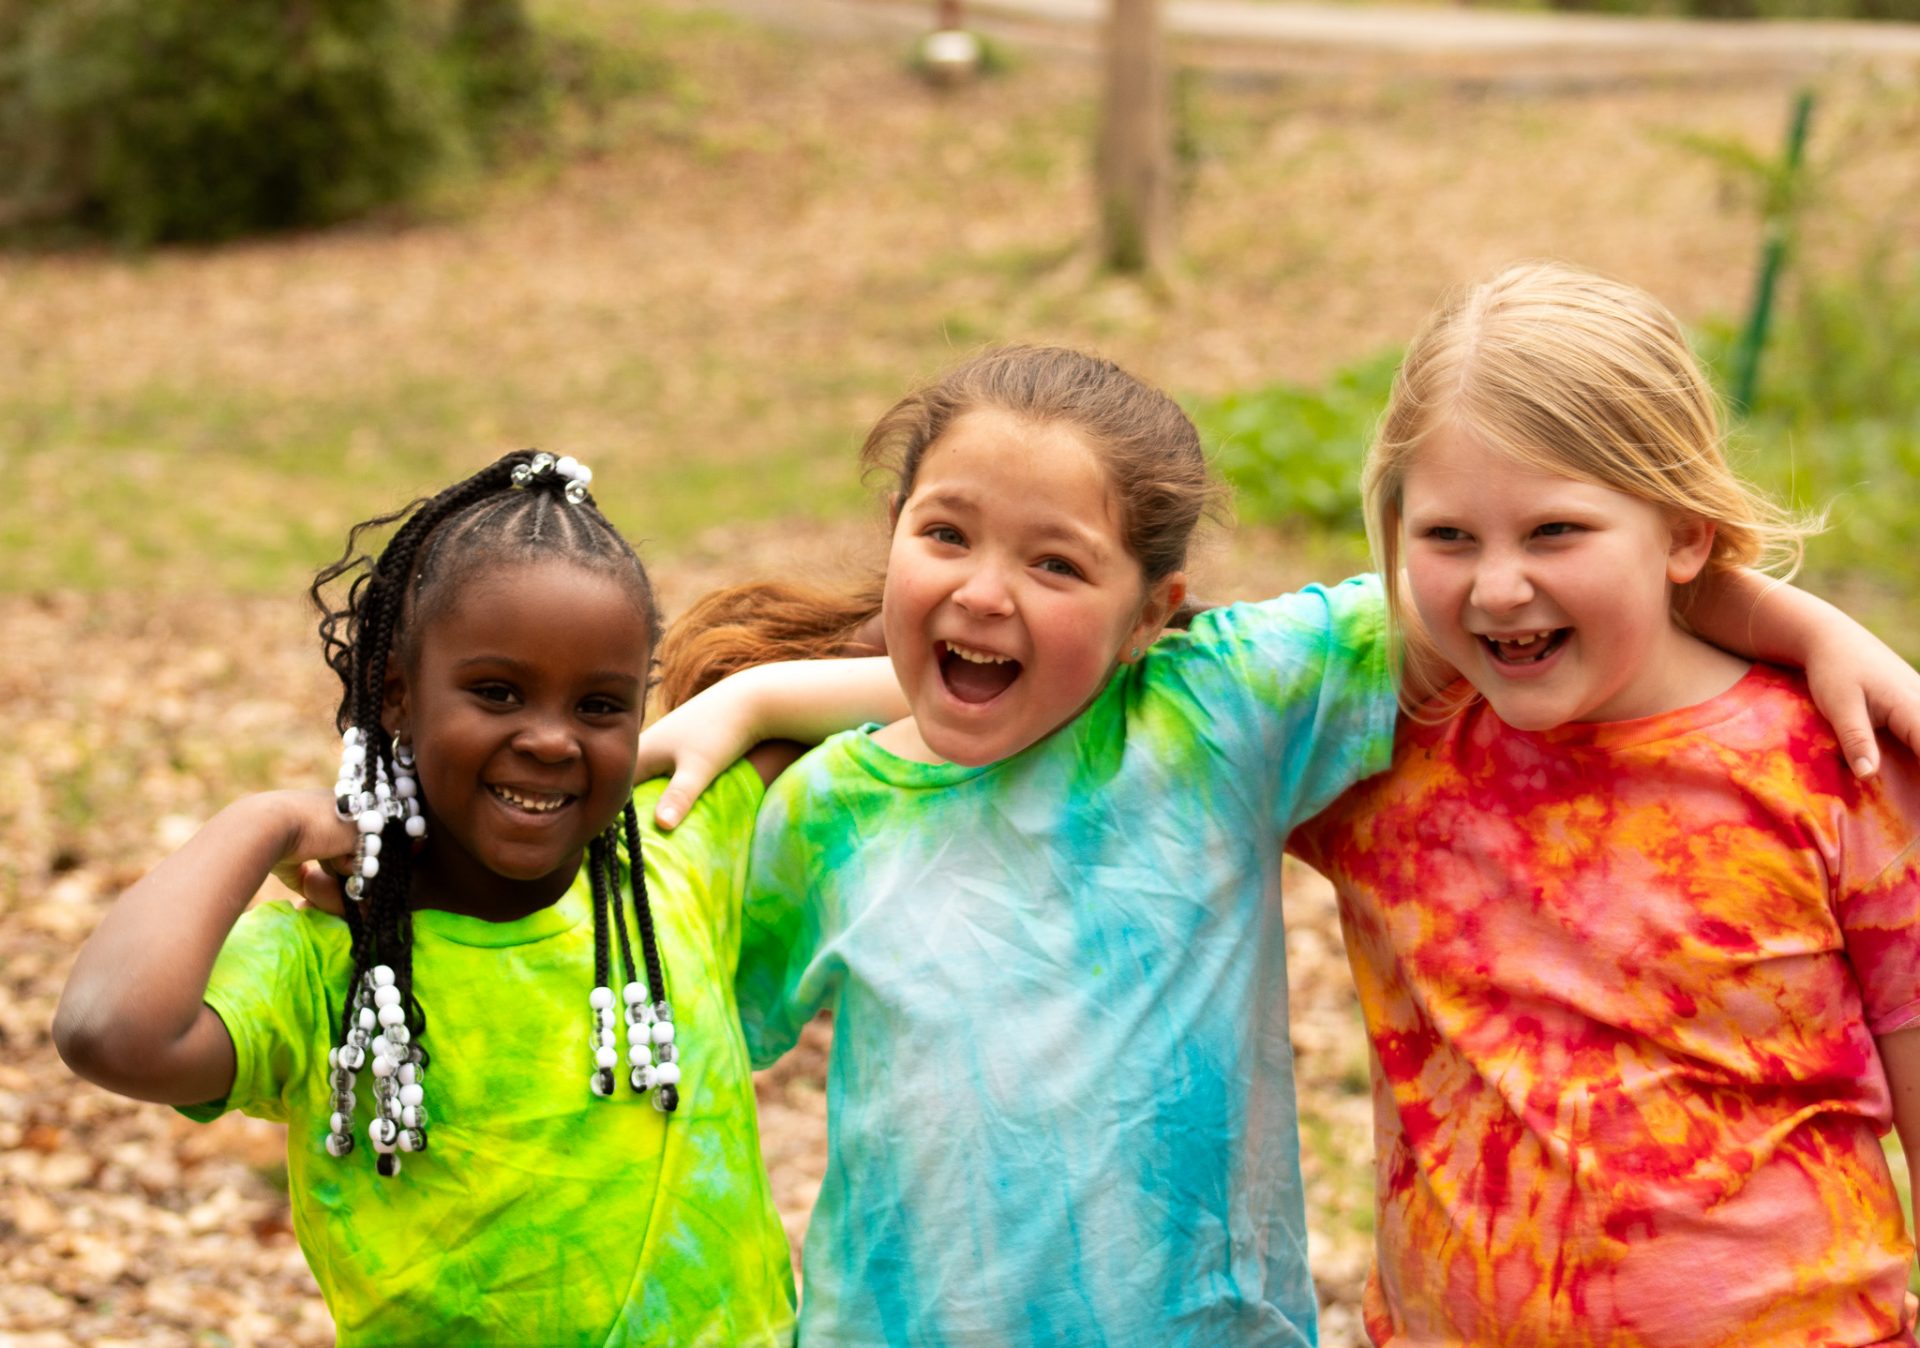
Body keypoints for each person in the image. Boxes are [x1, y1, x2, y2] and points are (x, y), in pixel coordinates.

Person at [634, 342, 1920, 1347]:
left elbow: (1563, 568)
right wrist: (751, 698)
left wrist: (1805, 625)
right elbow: (685, 1100)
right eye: (946, 534)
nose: (983, 590)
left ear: (1157, 613)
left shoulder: (1222, 718)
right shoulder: (825, 815)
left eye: (1056, 562)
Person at [1287, 262, 1920, 1345]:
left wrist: (1803, 629)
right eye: (1447, 537)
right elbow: (1116, 684)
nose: (1496, 587)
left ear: (1683, 532)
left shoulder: (1835, 755)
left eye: (1555, 532)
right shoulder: (1373, 743)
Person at [53, 451, 797, 1346]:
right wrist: (265, 823)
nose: (553, 740)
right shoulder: (336, 963)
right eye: (497, 692)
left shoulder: (674, 855)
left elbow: (940, 690)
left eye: (601, 705)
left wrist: (751, 699)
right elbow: (110, 1031)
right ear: (398, 695)